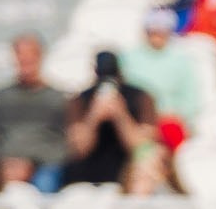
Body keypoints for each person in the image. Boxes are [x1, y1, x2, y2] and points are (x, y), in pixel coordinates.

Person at [0, 35, 70, 191]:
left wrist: (32, 162)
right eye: (20, 56)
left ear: (40, 56)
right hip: (4, 166)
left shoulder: (57, 99)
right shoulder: (2, 96)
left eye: (30, 56)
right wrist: (6, 162)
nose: (25, 61)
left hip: (44, 168)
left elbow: (65, 144)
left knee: (46, 183)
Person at [63, 52, 156, 187]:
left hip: (126, 182)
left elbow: (142, 149)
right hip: (86, 181)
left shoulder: (140, 97)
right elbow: (79, 149)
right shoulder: (80, 100)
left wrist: (121, 114)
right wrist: (93, 117)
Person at [120, 10, 205, 144]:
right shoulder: (128, 58)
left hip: (168, 121)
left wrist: (170, 116)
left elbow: (191, 101)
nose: (157, 36)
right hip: (136, 120)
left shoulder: (182, 61)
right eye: (153, 31)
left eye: (161, 32)